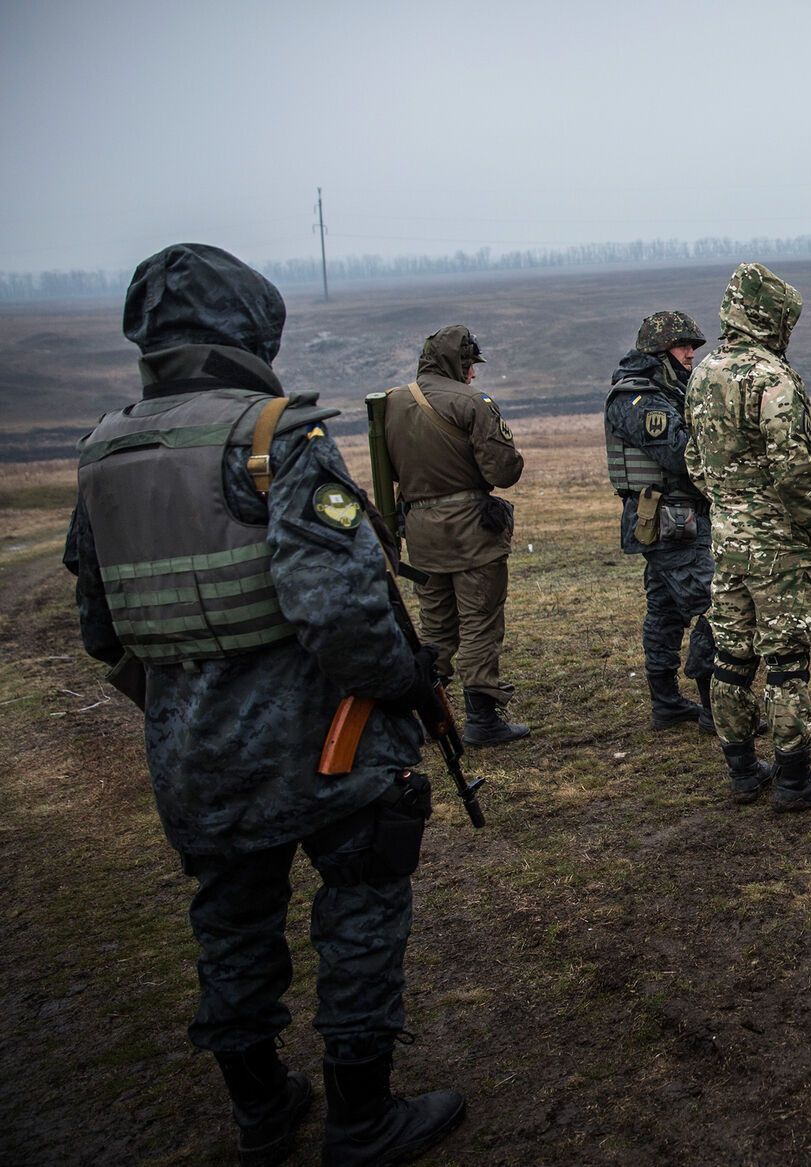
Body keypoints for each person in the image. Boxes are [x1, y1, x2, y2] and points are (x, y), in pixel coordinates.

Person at [66, 243, 464, 1165]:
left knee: (231, 926)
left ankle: (260, 1109)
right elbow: (346, 616)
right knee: (361, 909)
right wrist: (407, 684)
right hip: (324, 745)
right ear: (251, 328)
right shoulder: (274, 439)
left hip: (191, 756)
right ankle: (363, 1118)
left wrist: (186, 702)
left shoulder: (102, 452)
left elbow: (102, 630)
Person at [685, 263, 811, 809]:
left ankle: (740, 769)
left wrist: (729, 505)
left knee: (731, 655)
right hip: (776, 546)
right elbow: (794, 471)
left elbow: (695, 460)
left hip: (727, 538)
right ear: (771, 318)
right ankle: (795, 779)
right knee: (785, 660)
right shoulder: (773, 378)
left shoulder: (703, 373)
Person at [379, 324, 528, 746]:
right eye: (469, 364)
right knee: (480, 619)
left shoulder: (390, 403)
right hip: (471, 531)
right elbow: (502, 471)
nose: (474, 374)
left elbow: (385, 470)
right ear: (455, 363)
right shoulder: (472, 403)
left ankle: (430, 719)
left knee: (435, 626)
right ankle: (483, 719)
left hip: (421, 532)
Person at [605, 310, 719, 730]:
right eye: (683, 345)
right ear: (659, 350)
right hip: (670, 521)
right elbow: (679, 453)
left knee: (666, 609)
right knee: (714, 605)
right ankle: (717, 709)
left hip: (678, 518)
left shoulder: (670, 391)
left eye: (693, 346)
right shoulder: (638, 398)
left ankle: (667, 704)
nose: (691, 353)